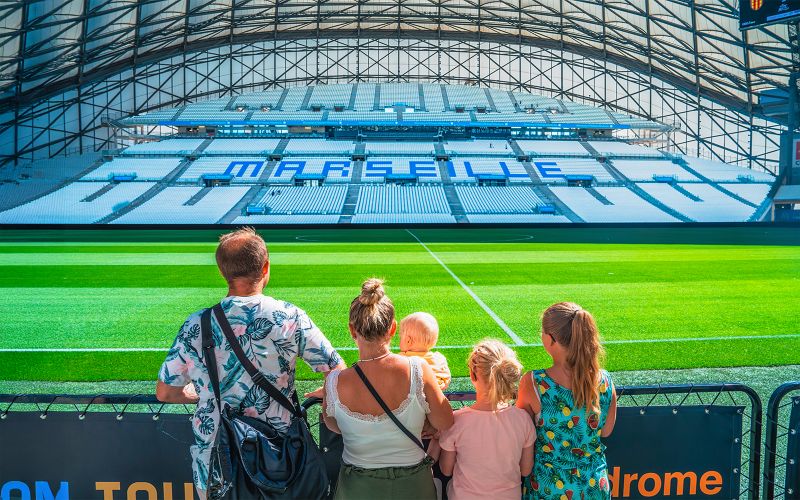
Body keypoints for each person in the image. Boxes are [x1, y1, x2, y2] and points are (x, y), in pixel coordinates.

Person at [155, 227, 345, 498]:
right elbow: (338, 372)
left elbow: (165, 392)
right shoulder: (290, 317)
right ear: (265, 267)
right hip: (282, 461)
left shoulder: (197, 324)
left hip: (218, 464)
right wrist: (325, 391)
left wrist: (199, 394)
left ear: (222, 271)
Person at [322, 279, 454, 500]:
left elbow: (334, 425)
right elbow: (445, 421)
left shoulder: (334, 382)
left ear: (352, 330)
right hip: (413, 487)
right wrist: (424, 421)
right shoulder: (418, 369)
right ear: (392, 328)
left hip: (358, 488)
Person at [516, 302, 617, 500]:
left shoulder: (534, 382)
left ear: (551, 339)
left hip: (549, 488)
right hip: (593, 485)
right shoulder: (605, 380)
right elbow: (606, 431)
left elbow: (521, 434)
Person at [436, 339, 535, 500]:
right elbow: (526, 470)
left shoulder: (456, 421)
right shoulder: (523, 419)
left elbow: (446, 469)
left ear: (472, 374)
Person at [399, 312, 452, 390]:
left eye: (400, 337)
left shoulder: (401, 358)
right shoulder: (439, 358)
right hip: (435, 395)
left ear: (408, 341)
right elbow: (446, 379)